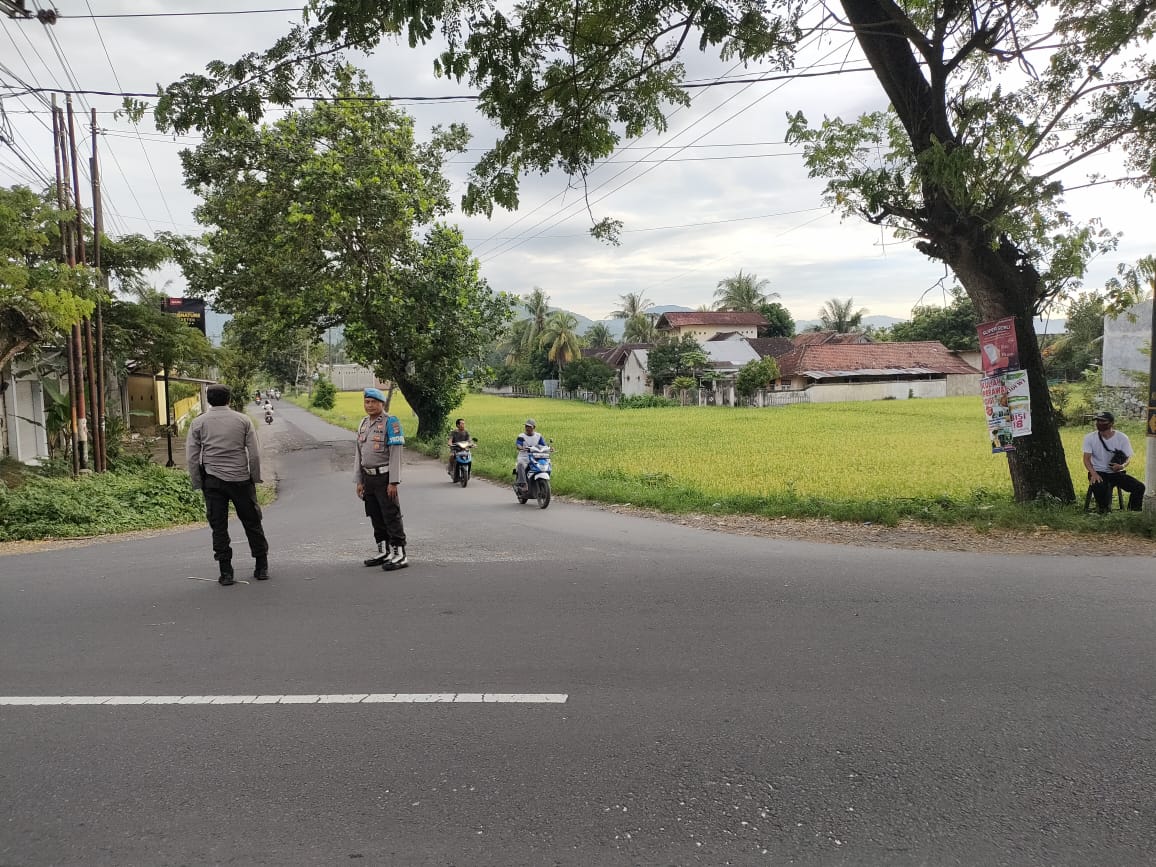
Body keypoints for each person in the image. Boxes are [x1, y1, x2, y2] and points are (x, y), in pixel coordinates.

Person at [186, 384, 269, 585]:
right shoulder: (243, 420)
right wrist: (254, 477)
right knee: (252, 522)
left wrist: (198, 482)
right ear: (229, 399)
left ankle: (226, 572)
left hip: (213, 481)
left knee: (219, 527)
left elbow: (191, 457)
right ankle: (261, 567)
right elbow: (254, 454)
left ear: (208, 400)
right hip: (241, 479)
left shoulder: (199, 423)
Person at [354, 387, 409, 571]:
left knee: (391, 515)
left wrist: (393, 481)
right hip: (368, 477)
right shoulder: (363, 423)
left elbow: (396, 453)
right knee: (375, 515)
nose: (369, 405)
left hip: (385, 477)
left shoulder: (390, 422)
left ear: (381, 404)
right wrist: (359, 480)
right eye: (366, 402)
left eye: (373, 402)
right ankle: (384, 551)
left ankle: (399, 553)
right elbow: (359, 454)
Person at [1082, 410, 1145, 512]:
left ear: (1111, 423)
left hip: (1116, 473)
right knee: (1100, 490)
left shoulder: (1122, 438)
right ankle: (1104, 511)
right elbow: (1086, 459)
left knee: (1139, 487)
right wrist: (1093, 474)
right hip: (1098, 472)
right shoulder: (1090, 438)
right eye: (1098, 421)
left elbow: (1128, 457)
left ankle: (1133, 512)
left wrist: (1121, 466)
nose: (1100, 423)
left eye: (1103, 421)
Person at [515, 417, 547, 490]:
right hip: (524, 457)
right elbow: (518, 444)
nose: (527, 428)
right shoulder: (521, 436)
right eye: (526, 426)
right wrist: (521, 448)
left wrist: (549, 448)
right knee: (520, 464)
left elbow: (543, 445)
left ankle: (542, 480)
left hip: (536, 457)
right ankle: (523, 484)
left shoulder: (538, 436)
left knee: (544, 464)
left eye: (529, 426)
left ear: (534, 427)